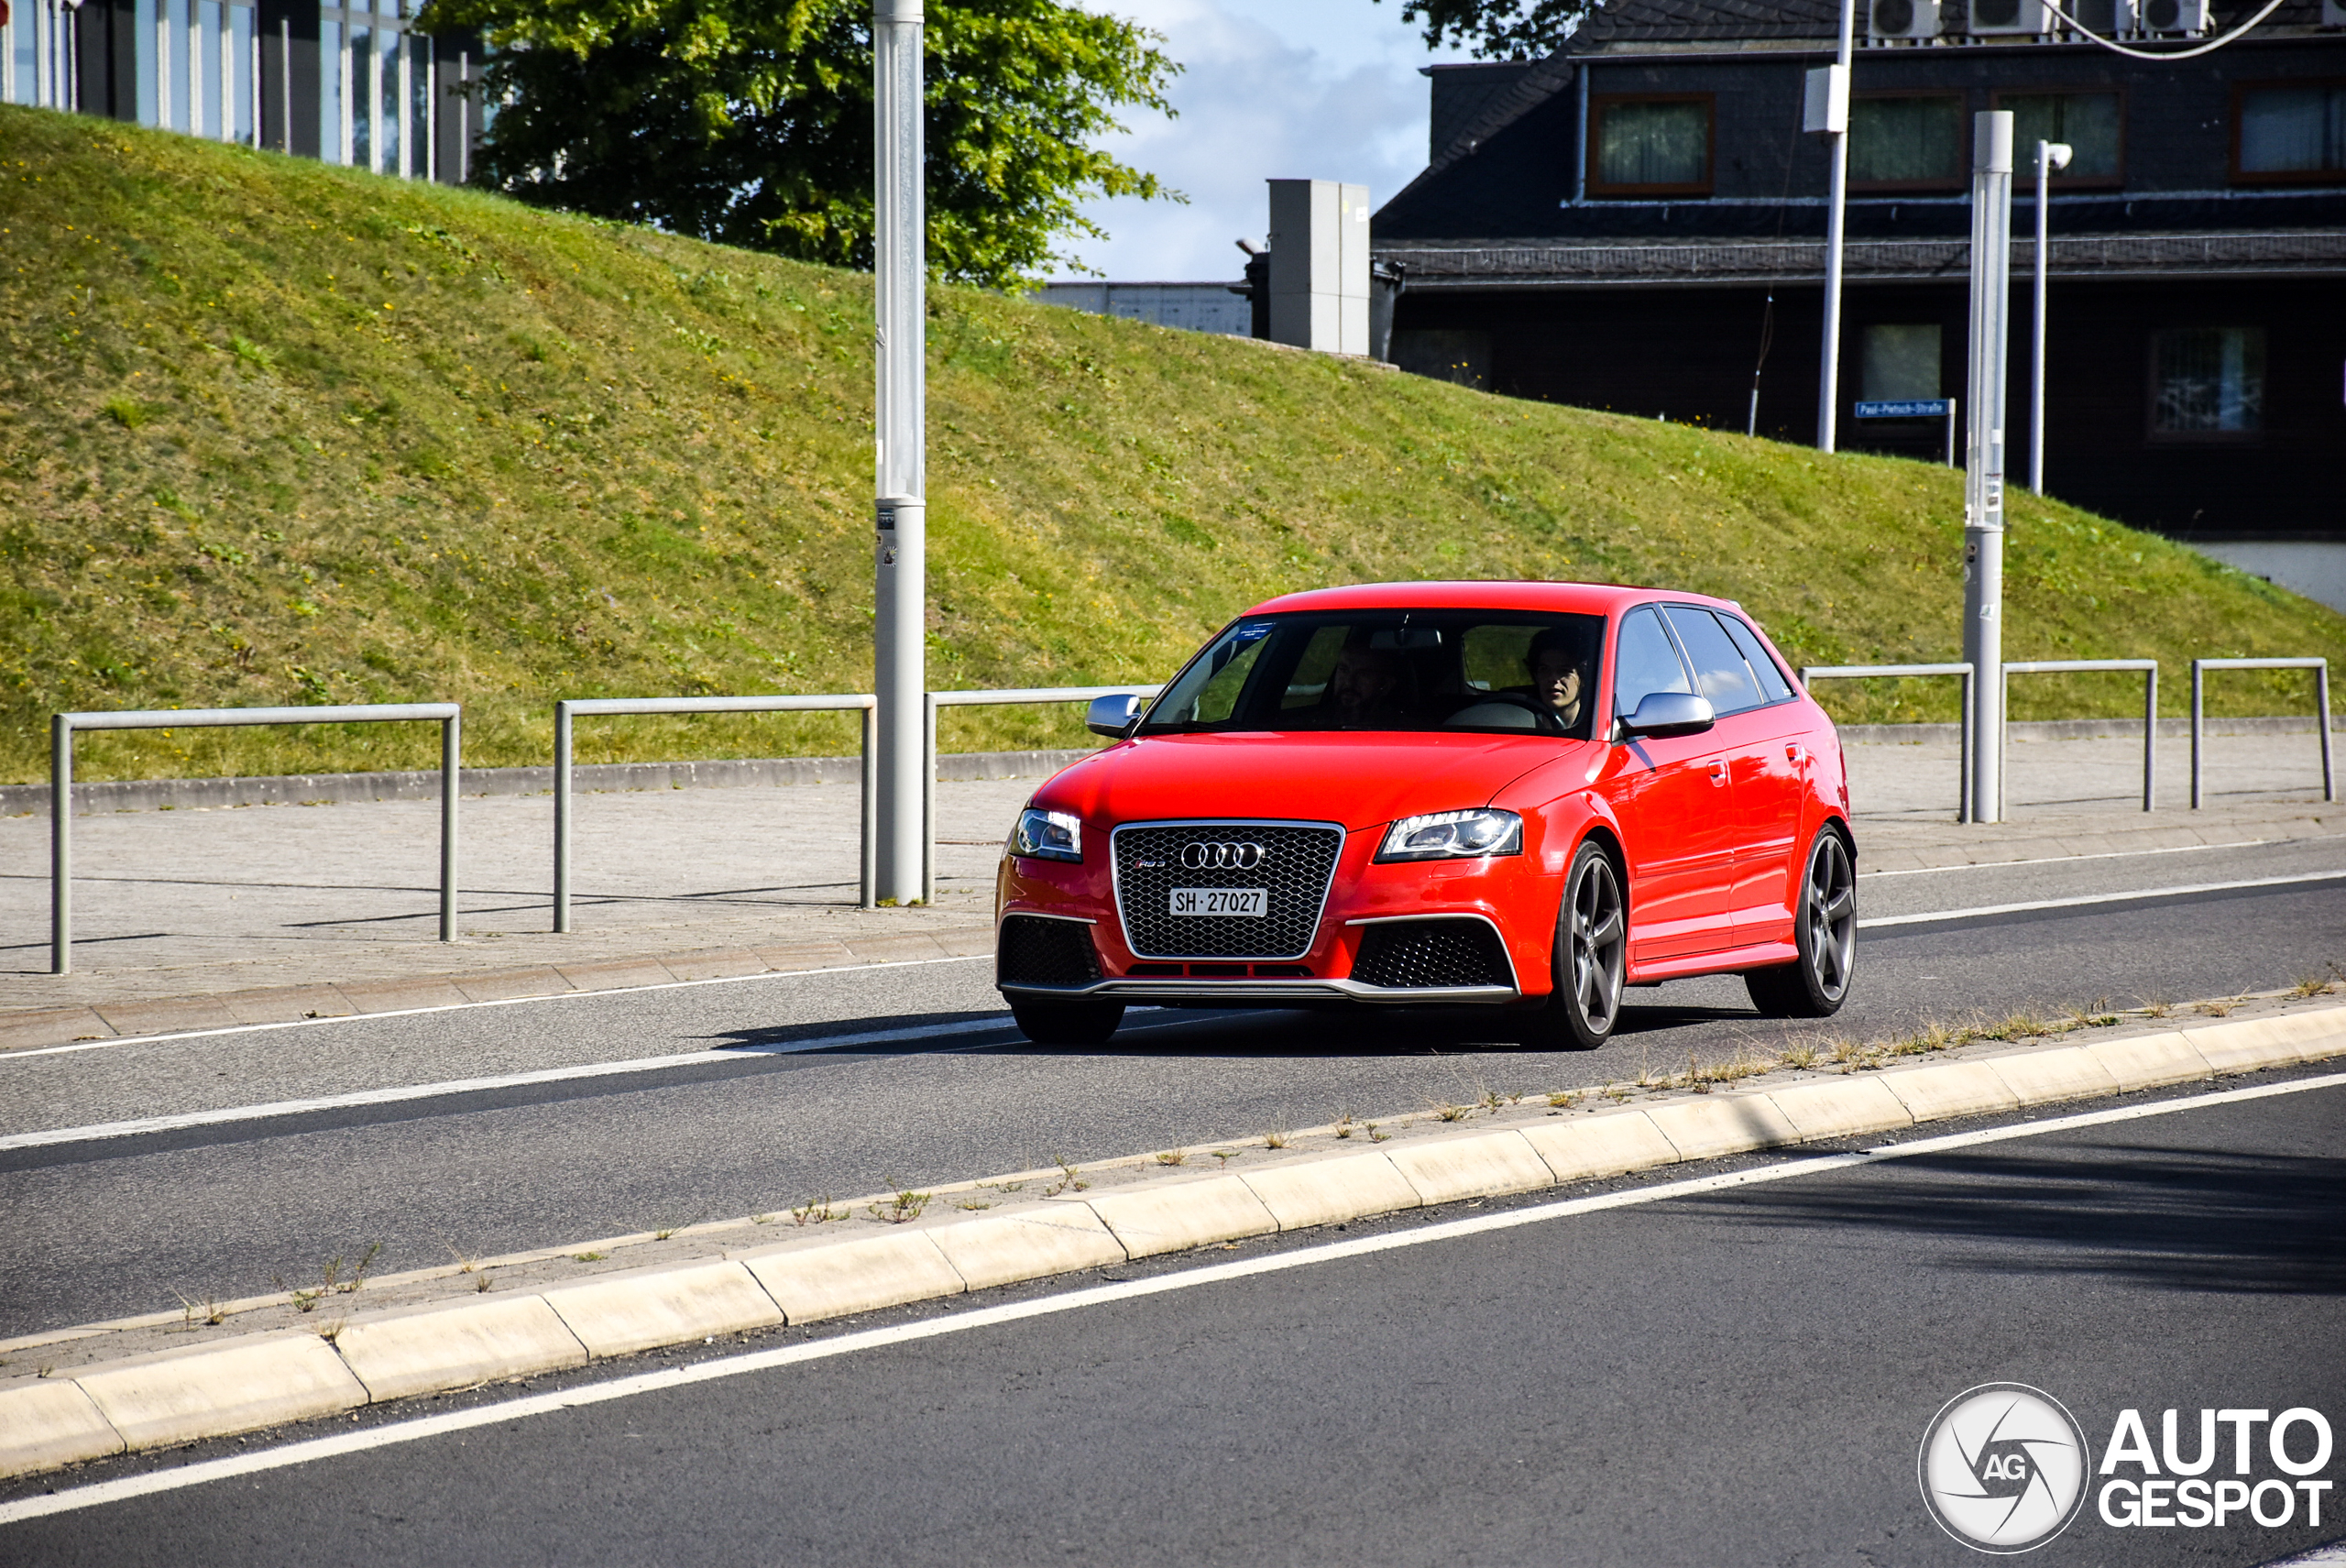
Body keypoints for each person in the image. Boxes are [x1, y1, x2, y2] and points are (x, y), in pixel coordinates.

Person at [1325, 634, 1403, 726]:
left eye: (1363, 674)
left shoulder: (1402, 731)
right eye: (1344, 670)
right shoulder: (1310, 723)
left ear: (1385, 685)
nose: (1349, 682)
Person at [1527, 626, 1593, 731]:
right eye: (1544, 669)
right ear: (1536, 675)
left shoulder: (1596, 728)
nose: (1553, 678)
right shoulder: (1518, 723)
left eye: (1564, 671)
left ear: (1584, 678)